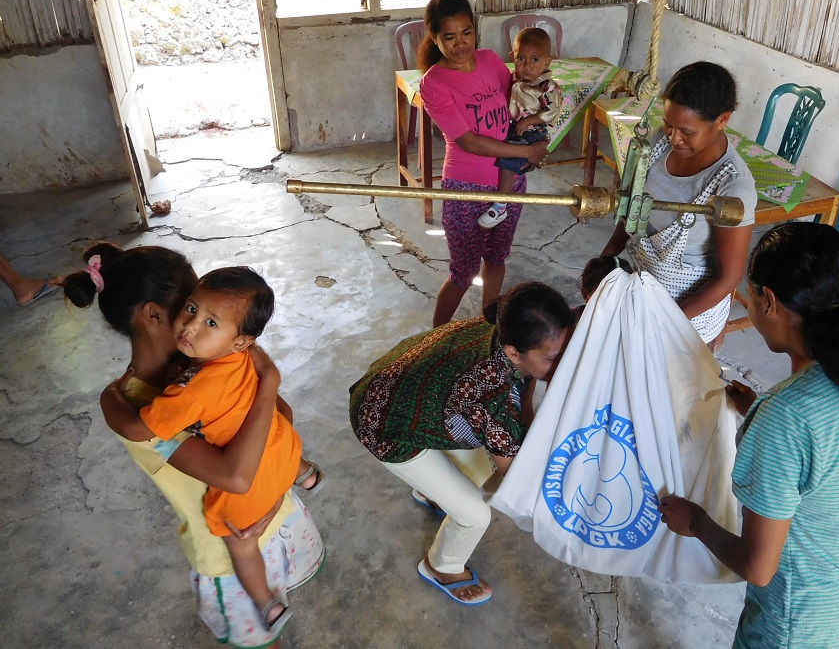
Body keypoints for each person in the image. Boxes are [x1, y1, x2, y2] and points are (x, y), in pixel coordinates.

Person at [657, 222, 839, 648]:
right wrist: (757, 411)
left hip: (803, 622)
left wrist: (696, 521)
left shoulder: (784, 418)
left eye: (749, 295)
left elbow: (758, 567)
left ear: (768, 301)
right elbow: (831, 453)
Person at [64, 244, 325, 648]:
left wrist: (274, 492)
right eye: (190, 307)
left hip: (273, 519)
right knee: (265, 638)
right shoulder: (142, 409)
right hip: (231, 553)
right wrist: (269, 381)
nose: (204, 321)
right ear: (154, 315)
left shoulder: (211, 361)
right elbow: (237, 475)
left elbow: (282, 417)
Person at [350, 282, 575, 605]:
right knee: (477, 513)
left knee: (481, 474)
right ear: (514, 353)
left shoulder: (508, 328)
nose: (565, 363)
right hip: (382, 422)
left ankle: (431, 490)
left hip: (409, 388)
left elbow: (523, 402)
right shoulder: (492, 395)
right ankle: (442, 567)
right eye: (554, 358)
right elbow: (516, 479)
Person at [601, 62, 758, 345]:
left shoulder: (732, 186)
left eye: (687, 131)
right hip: (645, 288)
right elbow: (634, 209)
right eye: (668, 125)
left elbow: (729, 276)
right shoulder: (658, 144)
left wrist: (668, 322)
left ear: (722, 120)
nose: (674, 138)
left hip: (689, 315)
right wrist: (606, 260)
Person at [418, 0, 549, 326]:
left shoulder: (490, 60)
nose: (461, 44)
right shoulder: (434, 83)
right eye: (449, 37)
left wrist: (541, 124)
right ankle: (435, 338)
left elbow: (518, 102)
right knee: (463, 272)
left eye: (466, 32)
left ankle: (489, 326)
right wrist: (526, 151)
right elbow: (469, 141)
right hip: (466, 189)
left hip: (510, 182)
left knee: (497, 257)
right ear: (435, 38)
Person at [478, 27, 563, 229]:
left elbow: (553, 111)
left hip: (532, 131)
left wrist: (528, 121)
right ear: (512, 56)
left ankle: (500, 207)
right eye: (521, 58)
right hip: (515, 127)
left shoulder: (547, 86)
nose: (527, 66)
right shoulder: (514, 78)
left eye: (535, 60)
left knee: (507, 164)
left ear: (548, 61)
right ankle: (523, 164)